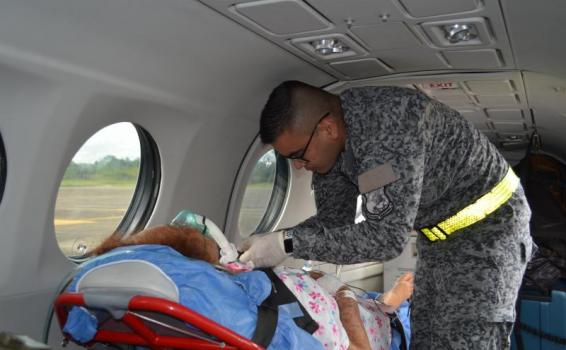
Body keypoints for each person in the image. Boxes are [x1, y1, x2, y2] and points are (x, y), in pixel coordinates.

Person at [239, 81, 534, 349]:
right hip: (439, 236)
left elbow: (385, 238)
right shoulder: (330, 151)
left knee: (466, 337)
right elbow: (332, 223)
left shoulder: (387, 127)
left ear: (327, 129)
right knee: (428, 332)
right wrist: (275, 239)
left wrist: (288, 243)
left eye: (298, 156)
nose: (299, 167)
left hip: (491, 229)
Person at [67, 224, 413, 350]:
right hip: (358, 322)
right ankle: (392, 308)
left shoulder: (223, 285)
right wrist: (347, 298)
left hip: (313, 299)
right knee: (394, 310)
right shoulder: (232, 300)